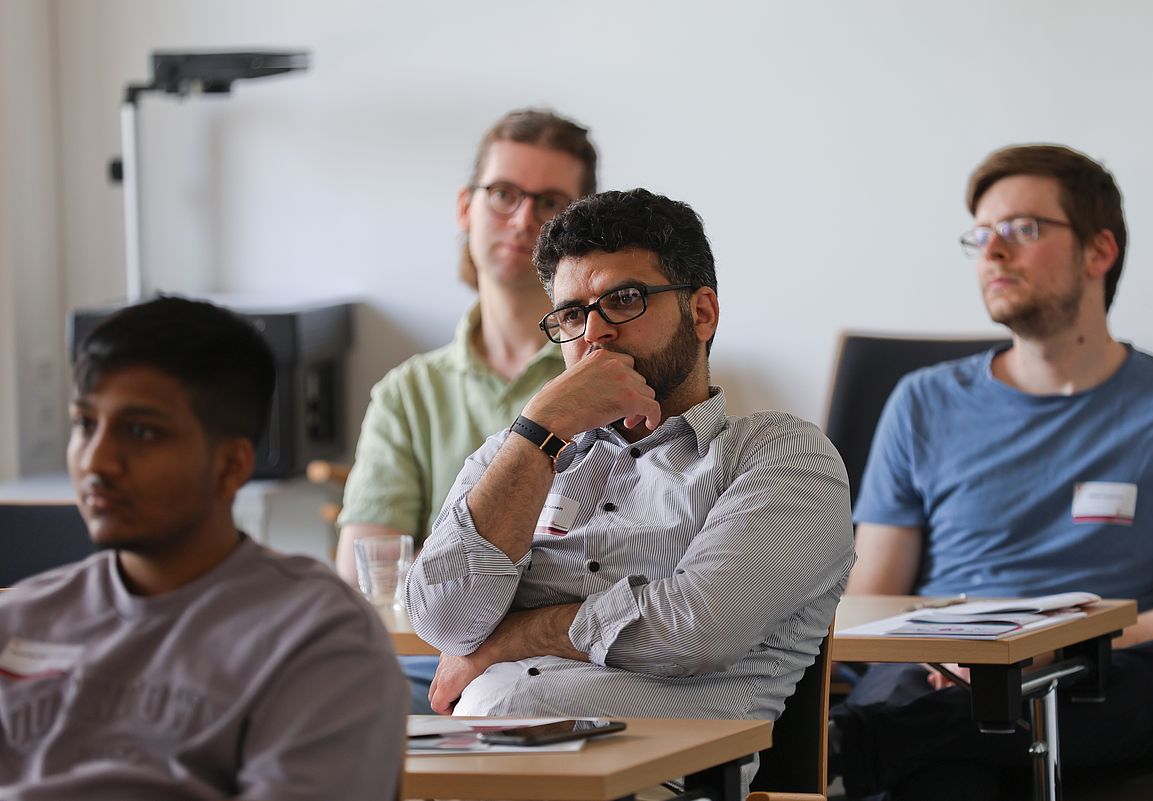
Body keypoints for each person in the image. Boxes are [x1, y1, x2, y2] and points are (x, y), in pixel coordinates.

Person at [405, 188, 854, 745]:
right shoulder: (521, 451)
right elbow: (442, 619)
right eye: (572, 315)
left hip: (655, 777)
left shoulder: (782, 456)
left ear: (702, 313)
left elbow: (695, 631)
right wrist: (539, 429)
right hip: (472, 764)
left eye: (624, 300)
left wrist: (508, 640)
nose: (594, 335)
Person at [837, 144, 1153, 800]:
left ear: (1099, 251)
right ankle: (912, 732)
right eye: (981, 234)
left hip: (1098, 669)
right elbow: (869, 601)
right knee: (939, 764)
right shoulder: (923, 401)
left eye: (1023, 229)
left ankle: (862, 743)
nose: (993, 252)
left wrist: (1048, 646)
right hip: (940, 665)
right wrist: (958, 653)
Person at [0, 297, 408, 801]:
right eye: (85, 424)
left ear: (231, 465)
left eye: (141, 432)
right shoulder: (17, 620)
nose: (97, 460)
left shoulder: (316, 637)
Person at [336, 109, 597, 714]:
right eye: (503, 194)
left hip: (574, 671)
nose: (524, 219)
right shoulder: (408, 393)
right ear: (465, 207)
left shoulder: (625, 374)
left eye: (551, 202)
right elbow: (366, 576)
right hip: (420, 676)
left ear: (583, 226)